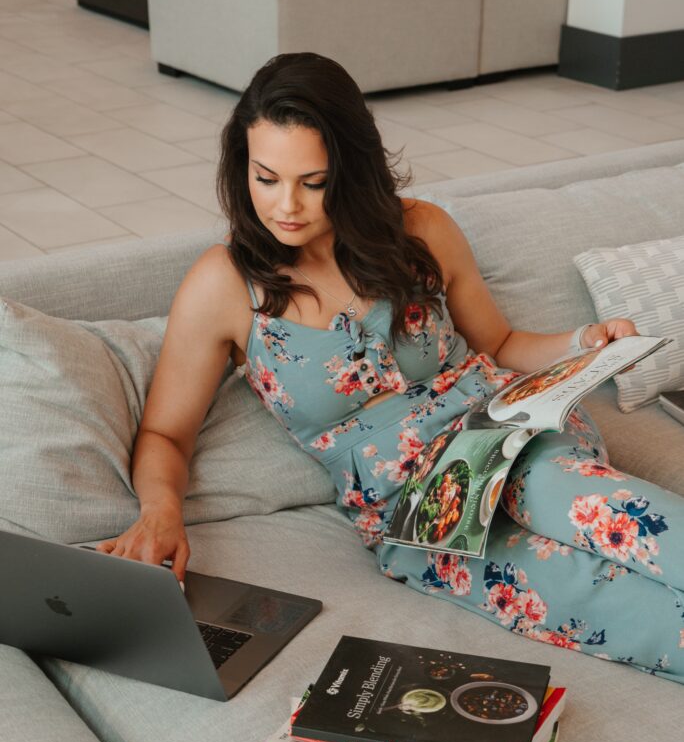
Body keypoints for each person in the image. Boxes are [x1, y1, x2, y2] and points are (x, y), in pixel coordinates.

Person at [97, 52, 684, 684]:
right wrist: (161, 512)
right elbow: (165, 434)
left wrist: (585, 340)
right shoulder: (223, 286)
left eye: (313, 182)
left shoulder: (420, 230)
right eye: (265, 178)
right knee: (610, 607)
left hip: (506, 436)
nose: (286, 205)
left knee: (625, 521)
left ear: (351, 168)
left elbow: (503, 341)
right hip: (415, 517)